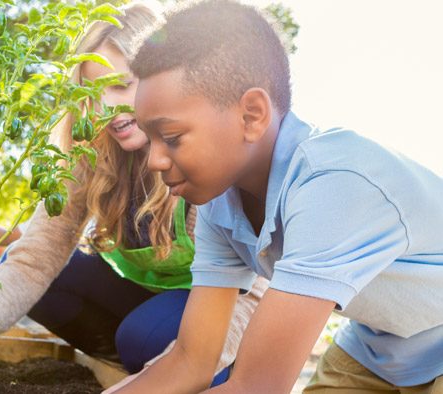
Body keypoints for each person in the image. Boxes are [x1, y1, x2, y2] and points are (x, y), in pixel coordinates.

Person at [0, 3, 265, 393]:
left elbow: (250, 294)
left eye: (122, 85)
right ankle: (131, 366)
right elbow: (34, 259)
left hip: (222, 311)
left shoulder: (204, 157)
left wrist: (163, 376)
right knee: (48, 281)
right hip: (152, 304)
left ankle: (174, 369)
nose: (107, 109)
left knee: (142, 336)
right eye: (93, 92)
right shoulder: (90, 153)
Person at [108, 1, 443, 393]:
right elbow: (190, 361)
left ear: (252, 115)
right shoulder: (221, 206)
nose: (154, 160)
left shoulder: (334, 185)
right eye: (150, 139)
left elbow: (257, 386)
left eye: (171, 137)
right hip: (379, 351)